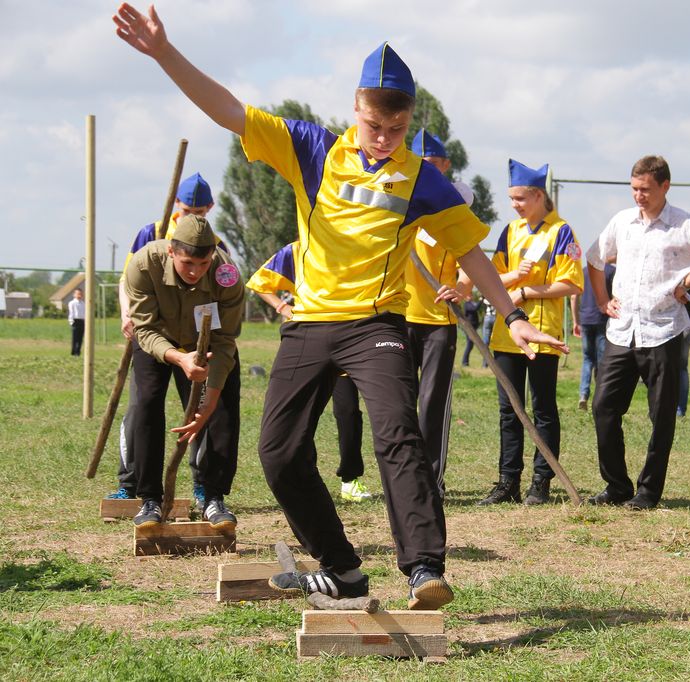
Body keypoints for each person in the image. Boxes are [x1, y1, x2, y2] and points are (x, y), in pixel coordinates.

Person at [114, 4, 567, 609]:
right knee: (277, 452)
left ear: (410, 121)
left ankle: (424, 568)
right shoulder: (312, 148)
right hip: (308, 323)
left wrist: (513, 316)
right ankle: (342, 568)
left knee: (398, 435)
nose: (384, 139)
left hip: (375, 324)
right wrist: (164, 53)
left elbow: (472, 253)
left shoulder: (421, 180)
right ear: (355, 109)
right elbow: (229, 110)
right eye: (375, 126)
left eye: (396, 129)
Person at [587, 155, 690, 510]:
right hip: (622, 331)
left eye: (645, 189)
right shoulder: (622, 222)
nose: (638, 195)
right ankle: (617, 485)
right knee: (603, 406)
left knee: (662, 415)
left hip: (664, 330)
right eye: (634, 188)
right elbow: (595, 259)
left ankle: (648, 491)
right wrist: (602, 300)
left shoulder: (685, 225)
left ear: (665, 186)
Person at [122, 214, 244, 531]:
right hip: (156, 341)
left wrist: (210, 400)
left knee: (223, 411)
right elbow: (143, 329)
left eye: (203, 264)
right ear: (171, 251)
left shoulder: (227, 275)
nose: (195, 271)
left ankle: (213, 497)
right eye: (187, 262)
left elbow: (225, 339)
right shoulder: (143, 264)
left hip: (208, 343)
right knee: (146, 404)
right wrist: (179, 358)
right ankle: (149, 499)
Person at [107, 171, 219, 504]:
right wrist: (128, 313)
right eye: (186, 211)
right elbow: (128, 279)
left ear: (210, 208)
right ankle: (132, 482)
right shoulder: (151, 233)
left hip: (194, 340)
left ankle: (203, 484)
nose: (192, 217)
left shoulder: (213, 243)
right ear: (176, 205)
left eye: (199, 212)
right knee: (141, 407)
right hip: (151, 333)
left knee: (198, 409)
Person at [476, 159, 583, 506]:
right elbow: (492, 278)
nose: (514, 205)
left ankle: (541, 481)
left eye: (520, 198)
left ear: (539, 195)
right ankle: (508, 481)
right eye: (511, 198)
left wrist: (526, 291)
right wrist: (515, 279)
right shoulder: (510, 231)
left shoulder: (561, 232)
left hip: (542, 333)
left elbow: (571, 283)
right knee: (509, 409)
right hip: (506, 333)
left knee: (543, 409)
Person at [246, 242, 372, 503]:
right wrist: (283, 307)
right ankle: (304, 475)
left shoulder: (353, 247)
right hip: (309, 348)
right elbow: (259, 283)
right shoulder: (296, 250)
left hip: (349, 342)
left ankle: (350, 479)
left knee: (348, 412)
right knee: (301, 417)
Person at [404, 129, 475, 497]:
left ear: (445, 165)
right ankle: (404, 479)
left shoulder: (454, 205)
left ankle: (432, 482)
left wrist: (461, 287)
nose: (425, 168)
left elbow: (470, 258)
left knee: (432, 403)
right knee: (398, 404)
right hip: (397, 315)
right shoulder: (395, 196)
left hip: (438, 320)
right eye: (420, 162)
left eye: (431, 163)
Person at [571, 263, 614, 412]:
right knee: (602, 361)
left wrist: (575, 321)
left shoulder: (584, 271)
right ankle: (601, 396)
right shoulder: (611, 271)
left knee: (587, 359)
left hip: (585, 320)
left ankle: (583, 394)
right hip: (602, 319)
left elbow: (573, 297)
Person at [675, 284, 690, 418]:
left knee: (678, 367)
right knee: (681, 367)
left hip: (681, 323)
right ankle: (678, 409)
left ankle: (678, 408)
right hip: (686, 322)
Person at [68, 288, 85, 356]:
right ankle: (73, 352)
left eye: (80, 294)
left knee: (80, 338)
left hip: (82, 321)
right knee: (75, 338)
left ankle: (78, 352)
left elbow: (84, 313)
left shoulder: (83, 303)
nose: (79, 295)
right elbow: (71, 312)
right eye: (78, 294)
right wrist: (71, 322)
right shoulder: (72, 303)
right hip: (75, 321)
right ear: (74, 294)